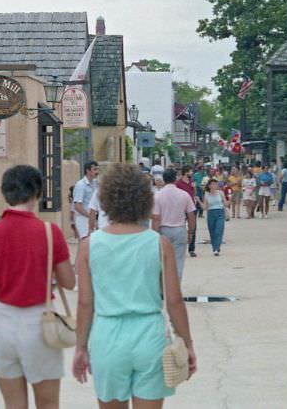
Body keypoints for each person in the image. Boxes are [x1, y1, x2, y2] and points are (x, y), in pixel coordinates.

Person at [72, 163, 197, 405]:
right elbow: (174, 301)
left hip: (107, 337)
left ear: (105, 200)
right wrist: (187, 343)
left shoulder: (89, 246)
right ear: (144, 200)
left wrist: (80, 347)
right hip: (150, 336)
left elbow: (85, 303)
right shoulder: (159, 244)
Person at [0, 165, 75, 409]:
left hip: (1, 323)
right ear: (37, 192)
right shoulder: (50, 232)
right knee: (48, 403)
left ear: (4, 192)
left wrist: (2, 277)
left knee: (14, 404)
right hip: (40, 323)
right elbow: (69, 282)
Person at [152, 169, 196, 280]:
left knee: (163, 260)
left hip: (163, 230)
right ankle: (176, 285)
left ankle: (164, 285)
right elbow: (191, 215)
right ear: (175, 178)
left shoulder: (157, 196)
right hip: (180, 229)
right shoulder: (184, 195)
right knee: (178, 261)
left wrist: (153, 234)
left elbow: (156, 218)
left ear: (164, 179)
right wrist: (190, 232)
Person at [176, 166, 200, 259]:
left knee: (193, 227)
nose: (191, 173)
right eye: (190, 171)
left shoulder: (191, 182)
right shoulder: (178, 183)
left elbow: (194, 194)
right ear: (186, 172)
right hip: (181, 208)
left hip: (192, 207)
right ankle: (180, 247)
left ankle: (191, 249)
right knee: (180, 227)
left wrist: (194, 188)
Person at [203, 179, 230, 256]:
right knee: (212, 231)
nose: (214, 186)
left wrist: (230, 199)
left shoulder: (220, 193)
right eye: (213, 184)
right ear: (209, 186)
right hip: (211, 213)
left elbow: (225, 203)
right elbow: (205, 207)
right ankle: (215, 247)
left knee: (219, 230)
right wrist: (198, 201)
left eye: (216, 184)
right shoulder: (206, 194)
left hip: (220, 212)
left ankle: (217, 247)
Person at [73, 161, 99, 240]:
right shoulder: (81, 185)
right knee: (85, 242)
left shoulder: (95, 183)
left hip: (91, 218)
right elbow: (77, 206)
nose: (97, 172)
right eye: (95, 169)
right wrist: (90, 217)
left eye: (97, 169)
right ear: (88, 171)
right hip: (82, 218)